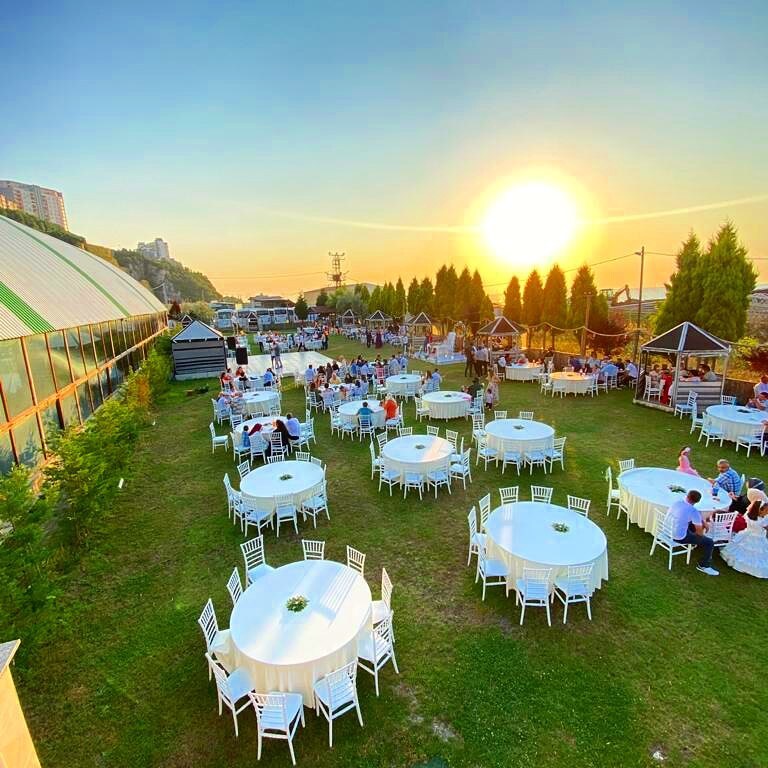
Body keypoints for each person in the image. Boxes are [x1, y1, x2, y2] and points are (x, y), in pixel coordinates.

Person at [667, 489, 719, 576]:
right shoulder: (693, 511)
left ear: (687, 496)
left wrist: (702, 521)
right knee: (709, 542)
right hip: (678, 536)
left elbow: (692, 517)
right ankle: (704, 565)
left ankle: (696, 547)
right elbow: (699, 533)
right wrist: (703, 535)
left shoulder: (677, 502)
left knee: (691, 525)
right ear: (698, 501)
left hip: (667, 530)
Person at [721, 499, 768, 578]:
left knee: (740, 549)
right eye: (766, 510)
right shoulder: (762, 521)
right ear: (760, 510)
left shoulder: (749, 514)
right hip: (757, 537)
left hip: (745, 533)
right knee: (755, 554)